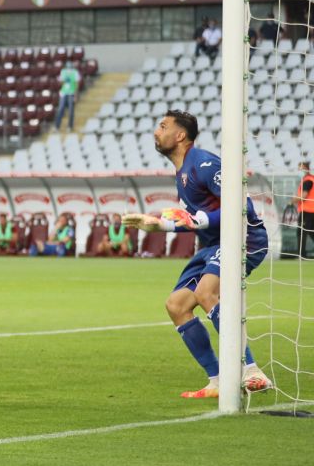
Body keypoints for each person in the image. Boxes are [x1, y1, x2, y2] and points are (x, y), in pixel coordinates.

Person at [122, 110, 272, 398]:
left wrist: (198, 220)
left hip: (245, 240)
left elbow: (242, 209)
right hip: (214, 245)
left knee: (206, 292)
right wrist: (159, 226)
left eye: (163, 126)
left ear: (180, 135)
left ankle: (251, 370)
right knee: (176, 305)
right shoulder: (182, 173)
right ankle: (217, 380)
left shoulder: (204, 164)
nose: (156, 131)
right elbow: (193, 219)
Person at [54, 60, 81, 132]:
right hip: (63, 93)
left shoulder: (75, 72)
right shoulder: (63, 72)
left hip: (71, 93)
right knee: (60, 109)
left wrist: (75, 96)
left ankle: (70, 126)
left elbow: (76, 85)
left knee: (71, 111)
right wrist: (61, 80)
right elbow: (60, 83)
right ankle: (57, 126)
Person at [298, 160, 314, 260]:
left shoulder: (307, 180)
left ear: (305, 168)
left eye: (300, 167)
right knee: (311, 232)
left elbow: (303, 196)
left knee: (301, 232)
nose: (298, 170)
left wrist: (293, 200)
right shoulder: (311, 178)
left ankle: (302, 255)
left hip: (307, 210)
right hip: (311, 210)